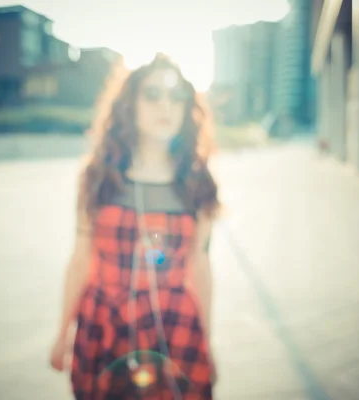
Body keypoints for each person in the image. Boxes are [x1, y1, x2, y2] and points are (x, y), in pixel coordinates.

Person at [49, 53, 220, 399]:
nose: (166, 106)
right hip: (104, 326)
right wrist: (62, 332)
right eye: (153, 94)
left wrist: (207, 339)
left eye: (176, 96)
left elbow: (199, 265)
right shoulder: (99, 177)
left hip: (173, 327)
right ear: (131, 103)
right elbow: (81, 259)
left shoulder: (197, 182)